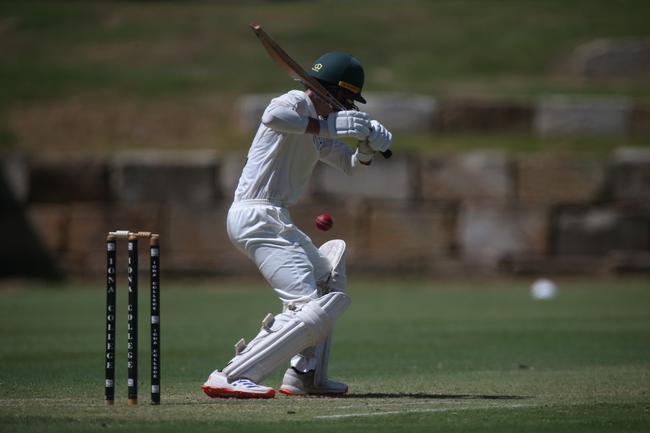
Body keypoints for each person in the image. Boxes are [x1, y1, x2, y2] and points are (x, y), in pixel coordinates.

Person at [201, 52, 392, 398]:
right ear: (331, 91)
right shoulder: (295, 102)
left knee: (326, 279)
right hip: (256, 214)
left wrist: (366, 148)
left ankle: (306, 377)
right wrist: (330, 126)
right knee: (308, 306)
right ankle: (231, 374)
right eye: (345, 99)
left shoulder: (319, 128)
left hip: (274, 217)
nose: (344, 107)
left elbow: (351, 167)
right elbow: (273, 116)